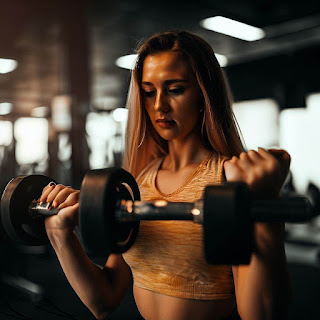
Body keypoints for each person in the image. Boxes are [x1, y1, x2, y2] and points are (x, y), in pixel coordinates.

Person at [40, 30, 292, 320]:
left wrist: (266, 213)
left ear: (203, 94)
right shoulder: (139, 182)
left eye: (175, 89)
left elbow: (258, 315)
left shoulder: (228, 181)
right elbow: (103, 300)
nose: (159, 105)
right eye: (149, 92)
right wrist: (60, 235)